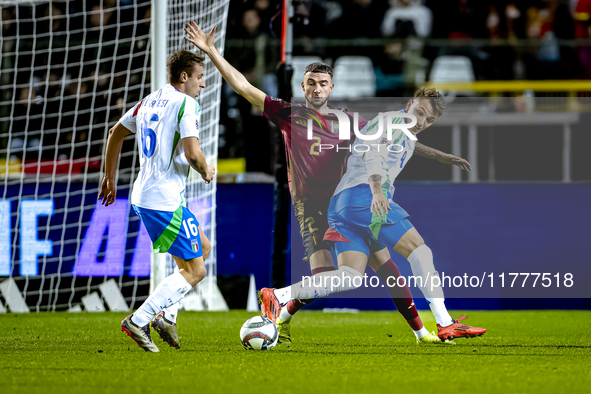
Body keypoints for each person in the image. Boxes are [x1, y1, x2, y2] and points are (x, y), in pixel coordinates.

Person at [184, 21, 469, 344]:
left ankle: (421, 333)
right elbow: (243, 87)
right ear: (302, 87)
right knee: (328, 278)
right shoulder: (289, 114)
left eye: (323, 84)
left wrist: (442, 156)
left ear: (331, 88)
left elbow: (397, 136)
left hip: (347, 203)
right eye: (311, 84)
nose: (317, 89)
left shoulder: (350, 120)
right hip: (313, 209)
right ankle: (283, 311)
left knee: (387, 268)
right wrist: (212, 51)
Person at [260, 88, 486, 341]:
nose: (422, 122)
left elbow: (407, 144)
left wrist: (441, 156)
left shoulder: (400, 129)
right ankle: (445, 322)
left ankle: (277, 296)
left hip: (343, 205)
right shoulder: (392, 122)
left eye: (429, 120)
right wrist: (377, 192)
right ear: (410, 104)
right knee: (420, 252)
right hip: (364, 198)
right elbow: (373, 154)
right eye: (420, 112)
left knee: (350, 277)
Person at [99, 49, 215, 352]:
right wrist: (206, 170)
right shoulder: (185, 104)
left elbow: (115, 133)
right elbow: (192, 153)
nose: (203, 85)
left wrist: (109, 177)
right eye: (200, 77)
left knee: (201, 248)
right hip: (163, 200)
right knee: (196, 270)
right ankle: (140, 319)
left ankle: (167, 316)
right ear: (184, 76)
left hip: (146, 194)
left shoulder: (149, 100)